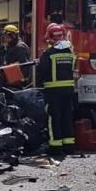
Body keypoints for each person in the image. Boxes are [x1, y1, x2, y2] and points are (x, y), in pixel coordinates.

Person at [37, 23, 76, 157]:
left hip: (53, 91)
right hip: (69, 90)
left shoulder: (48, 53)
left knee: (54, 118)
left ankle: (56, 147)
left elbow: (42, 71)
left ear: (51, 37)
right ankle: (69, 146)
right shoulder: (70, 52)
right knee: (67, 117)